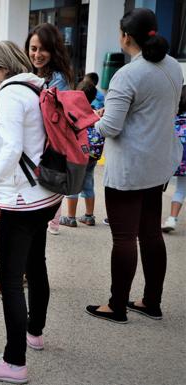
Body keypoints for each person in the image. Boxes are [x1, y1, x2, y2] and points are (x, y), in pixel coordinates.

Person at [0, 41, 63, 384]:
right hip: (45, 194)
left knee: (9, 279)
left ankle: (14, 362)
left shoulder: (8, 93)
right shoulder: (36, 85)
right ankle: (35, 333)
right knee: (36, 265)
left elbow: (12, 150)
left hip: (25, 199)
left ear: (1, 68)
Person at [85, 9, 183, 324]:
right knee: (151, 233)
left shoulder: (128, 75)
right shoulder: (173, 66)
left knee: (124, 237)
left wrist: (96, 120)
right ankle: (151, 302)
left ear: (126, 36)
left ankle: (117, 305)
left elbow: (111, 127)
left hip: (130, 167)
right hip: (159, 162)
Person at [25, 23, 74, 235]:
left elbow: (53, 121)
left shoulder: (58, 80)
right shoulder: (30, 74)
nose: (37, 54)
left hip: (46, 151)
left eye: (43, 49)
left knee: (34, 224)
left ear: (53, 50)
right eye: (33, 48)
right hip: (32, 149)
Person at [58, 79, 104, 228]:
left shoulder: (75, 113)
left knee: (73, 183)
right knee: (88, 183)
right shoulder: (95, 113)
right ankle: (89, 216)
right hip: (93, 155)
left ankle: (70, 218)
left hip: (78, 154)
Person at [162, 85, 186, 233]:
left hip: (171, 159)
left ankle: (151, 218)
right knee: (181, 189)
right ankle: (172, 218)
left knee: (155, 187)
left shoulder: (172, 117)